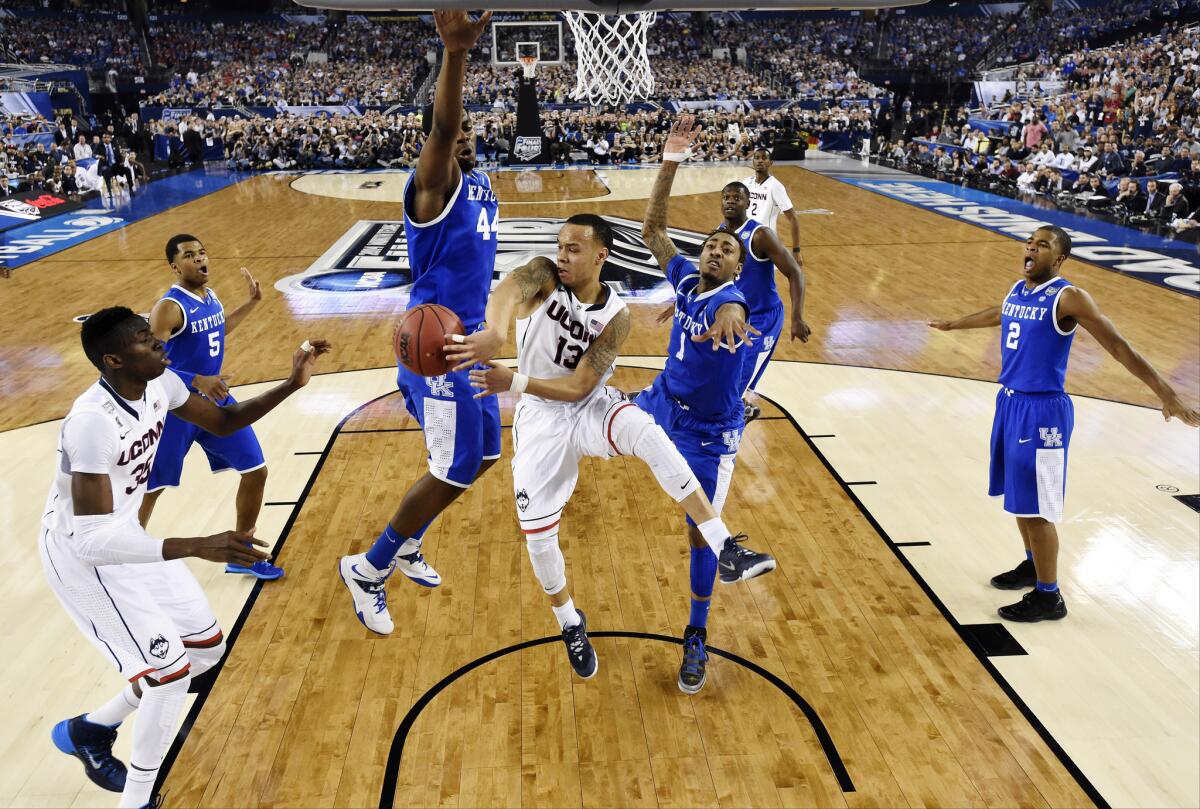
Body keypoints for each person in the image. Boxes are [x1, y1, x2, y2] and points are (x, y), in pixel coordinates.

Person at [450, 214, 776, 689]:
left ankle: (724, 545)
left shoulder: (617, 317)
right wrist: (497, 334)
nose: (563, 255)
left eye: (574, 249)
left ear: (601, 256)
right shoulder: (543, 274)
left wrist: (512, 380)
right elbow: (504, 295)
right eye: (560, 246)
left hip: (585, 407)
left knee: (645, 432)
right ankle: (569, 622)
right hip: (539, 420)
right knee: (539, 540)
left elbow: (582, 384)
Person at [44, 307, 327, 807]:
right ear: (112, 360)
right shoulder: (90, 423)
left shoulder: (161, 383)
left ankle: (90, 730)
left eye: (152, 334)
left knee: (205, 650)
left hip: (124, 536)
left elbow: (224, 420)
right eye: (142, 339)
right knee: (169, 674)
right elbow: (89, 541)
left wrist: (291, 384)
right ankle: (137, 800)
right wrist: (195, 545)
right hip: (82, 555)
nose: (156, 342)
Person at [928, 226, 1199, 622]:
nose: (1031, 248)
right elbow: (999, 313)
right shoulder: (1018, 290)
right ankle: (1033, 565)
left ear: (1059, 259)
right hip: (1011, 404)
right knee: (1020, 499)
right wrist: (956, 324)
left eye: (1042, 245)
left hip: (1043, 412)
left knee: (1037, 508)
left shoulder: (1069, 296)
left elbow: (1119, 346)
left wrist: (1166, 393)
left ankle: (1049, 596)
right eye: (1030, 242)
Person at [338, 10, 499, 634]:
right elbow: (442, 124)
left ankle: (405, 542)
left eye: (469, 132)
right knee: (451, 468)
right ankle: (370, 566)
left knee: (483, 456)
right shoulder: (431, 189)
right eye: (452, 133)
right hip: (436, 348)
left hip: (472, 342)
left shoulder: (482, 185)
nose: (462, 136)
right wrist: (455, 54)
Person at [635, 115, 778, 691]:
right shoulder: (688, 283)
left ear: (739, 266)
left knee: (698, 531)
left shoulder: (732, 303)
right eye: (711, 246)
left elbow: (733, 314)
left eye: (725, 249)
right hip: (660, 404)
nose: (715, 251)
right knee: (585, 416)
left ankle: (696, 634)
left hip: (709, 435)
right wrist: (671, 157)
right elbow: (652, 229)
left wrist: (729, 322)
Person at [138, 235, 282, 580]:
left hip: (214, 402)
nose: (200, 259)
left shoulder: (210, 295)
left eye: (202, 252)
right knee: (151, 488)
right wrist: (195, 379)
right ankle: (122, 555)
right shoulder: (169, 307)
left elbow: (219, 329)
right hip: (176, 407)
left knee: (256, 470)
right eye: (190, 256)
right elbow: (148, 362)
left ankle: (242, 553)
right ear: (175, 266)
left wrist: (251, 303)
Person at [715, 180, 811, 421]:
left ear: (748, 202)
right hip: (734, 317)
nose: (730, 201)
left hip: (762, 321)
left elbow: (795, 273)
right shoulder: (720, 234)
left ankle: (726, 440)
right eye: (726, 197)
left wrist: (797, 317)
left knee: (735, 388)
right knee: (722, 378)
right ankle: (741, 409)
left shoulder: (760, 235)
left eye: (736, 198)